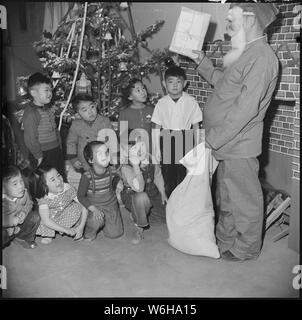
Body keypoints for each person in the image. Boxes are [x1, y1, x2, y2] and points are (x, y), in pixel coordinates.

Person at [186, 3, 279, 261]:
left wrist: (212, 139)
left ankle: (246, 248)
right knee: (226, 196)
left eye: (234, 19)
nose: (229, 25)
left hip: (239, 144)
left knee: (244, 199)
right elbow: (223, 83)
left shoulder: (262, 57)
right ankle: (225, 239)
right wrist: (201, 61)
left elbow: (244, 110)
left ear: (250, 21)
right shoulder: (245, 52)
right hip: (226, 143)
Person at [151, 65, 203, 197]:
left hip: (185, 139)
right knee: (168, 174)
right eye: (170, 82)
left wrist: (197, 148)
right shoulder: (161, 103)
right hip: (167, 139)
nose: (175, 85)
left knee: (184, 174)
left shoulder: (191, 102)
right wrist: (156, 150)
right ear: (164, 84)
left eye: (179, 82)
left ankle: (183, 204)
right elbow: (156, 128)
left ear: (185, 84)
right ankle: (169, 202)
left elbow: (196, 126)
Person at [119, 139, 167, 244]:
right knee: (142, 198)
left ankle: (139, 214)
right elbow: (139, 188)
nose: (137, 152)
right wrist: (136, 165)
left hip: (152, 193)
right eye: (129, 151)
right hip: (133, 195)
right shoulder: (126, 167)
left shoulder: (150, 158)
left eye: (137, 148)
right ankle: (139, 227)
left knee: (165, 218)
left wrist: (162, 192)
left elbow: (158, 175)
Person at [77, 141, 124, 241]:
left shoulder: (112, 170)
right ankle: (90, 232)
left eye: (106, 152)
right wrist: (94, 209)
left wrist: (120, 184)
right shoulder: (87, 176)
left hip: (111, 205)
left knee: (115, 234)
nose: (105, 155)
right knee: (96, 220)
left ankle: (105, 223)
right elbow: (80, 196)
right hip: (95, 206)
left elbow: (118, 178)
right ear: (91, 160)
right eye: (100, 153)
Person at [22, 72, 66, 179]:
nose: (50, 93)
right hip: (42, 153)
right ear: (33, 93)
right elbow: (30, 138)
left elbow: (54, 130)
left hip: (55, 151)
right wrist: (38, 156)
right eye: (46, 90)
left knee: (60, 176)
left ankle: (63, 194)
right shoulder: (31, 113)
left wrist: (59, 146)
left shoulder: (48, 109)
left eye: (51, 90)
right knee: (44, 180)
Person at [29, 166, 88, 244]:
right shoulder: (44, 199)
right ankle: (48, 234)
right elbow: (47, 221)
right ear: (43, 187)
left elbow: (84, 205)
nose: (59, 180)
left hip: (64, 213)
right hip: (50, 218)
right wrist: (66, 230)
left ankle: (75, 227)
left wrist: (81, 227)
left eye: (58, 175)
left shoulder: (68, 188)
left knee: (77, 207)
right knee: (43, 220)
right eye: (53, 179)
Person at [66, 94, 113, 172]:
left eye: (92, 107)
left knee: (105, 176)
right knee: (88, 179)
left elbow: (112, 140)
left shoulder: (105, 121)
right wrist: (73, 159)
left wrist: (116, 155)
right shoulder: (76, 125)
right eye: (85, 110)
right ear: (77, 114)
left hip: (104, 157)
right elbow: (71, 143)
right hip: (85, 161)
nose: (90, 112)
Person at [2, 165, 40, 249]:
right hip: (5, 229)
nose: (21, 186)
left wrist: (24, 212)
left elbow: (29, 204)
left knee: (35, 216)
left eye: (21, 181)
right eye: (15, 184)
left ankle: (23, 238)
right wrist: (11, 221)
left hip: (18, 227)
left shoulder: (24, 193)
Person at [119, 78, 154, 150]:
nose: (143, 92)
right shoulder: (124, 113)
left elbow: (156, 131)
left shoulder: (152, 110)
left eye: (143, 88)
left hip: (150, 149)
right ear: (130, 96)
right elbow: (123, 136)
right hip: (133, 151)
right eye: (138, 90)